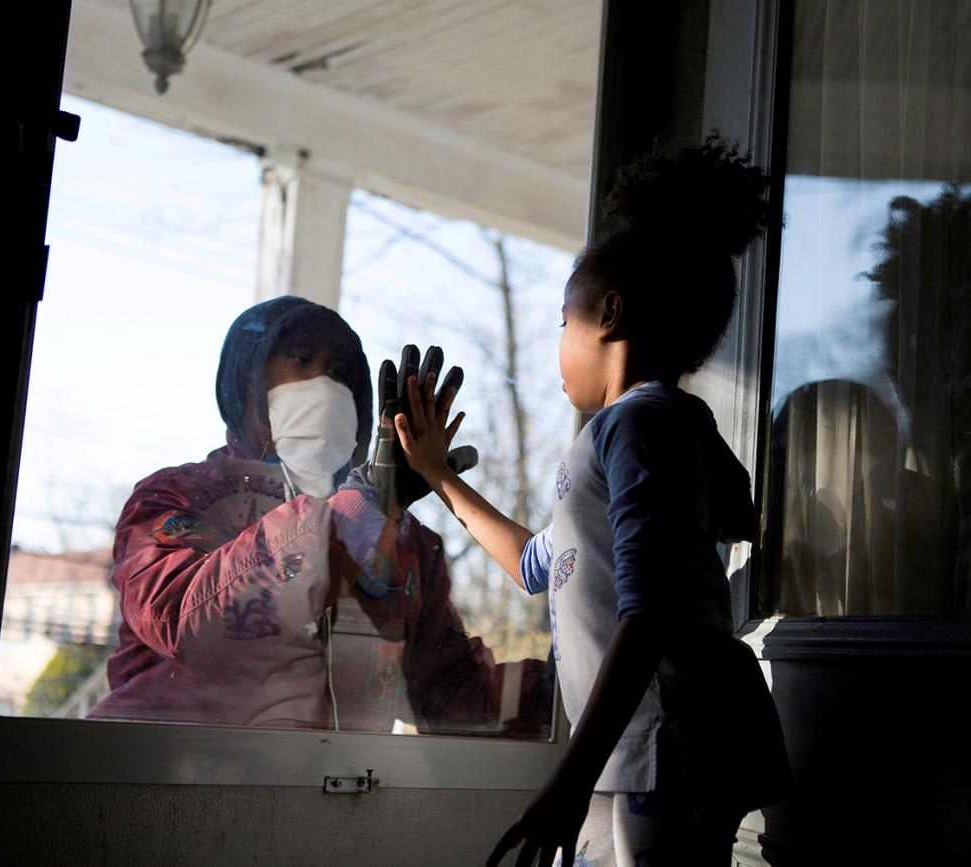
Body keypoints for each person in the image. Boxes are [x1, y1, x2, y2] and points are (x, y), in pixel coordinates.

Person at [394, 137, 791, 865]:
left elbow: (647, 612)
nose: (558, 340)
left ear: (608, 312)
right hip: (638, 749)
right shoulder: (654, 429)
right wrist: (438, 477)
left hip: (658, 745)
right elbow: (535, 564)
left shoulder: (641, 425)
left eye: (562, 320)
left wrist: (570, 777)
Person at [88, 295, 548, 736]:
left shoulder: (408, 547)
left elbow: (449, 698)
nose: (326, 389)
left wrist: (561, 690)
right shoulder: (180, 497)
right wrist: (354, 512)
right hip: (164, 784)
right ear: (247, 378)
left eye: (341, 374)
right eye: (302, 360)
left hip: (325, 797)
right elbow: (190, 622)